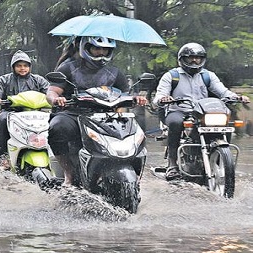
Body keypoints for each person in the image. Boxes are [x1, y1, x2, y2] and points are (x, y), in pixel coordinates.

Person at [46, 36, 147, 185]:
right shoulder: (68, 68)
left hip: (106, 116)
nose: (101, 53)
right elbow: (52, 92)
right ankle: (69, 173)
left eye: (105, 50)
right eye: (96, 48)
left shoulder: (114, 72)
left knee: (137, 132)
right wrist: (56, 99)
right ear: (86, 48)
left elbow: (126, 94)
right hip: (74, 113)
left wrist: (136, 99)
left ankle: (135, 174)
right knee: (57, 127)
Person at [152, 42, 250, 180]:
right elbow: (159, 96)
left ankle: (220, 160)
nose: (194, 61)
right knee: (175, 123)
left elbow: (222, 91)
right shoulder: (172, 76)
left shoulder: (208, 76)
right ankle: (172, 165)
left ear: (202, 59)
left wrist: (236, 97)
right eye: (190, 58)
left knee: (224, 124)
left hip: (201, 112)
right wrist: (163, 99)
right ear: (182, 59)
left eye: (198, 58)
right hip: (179, 111)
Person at [0, 50, 50, 166]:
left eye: (25, 65)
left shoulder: (38, 80)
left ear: (30, 67)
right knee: (2, 120)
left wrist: (57, 98)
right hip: (11, 113)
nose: (22, 68)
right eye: (19, 66)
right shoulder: (3, 80)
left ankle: (55, 153)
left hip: (35, 114)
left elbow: (50, 92)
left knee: (55, 121)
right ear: (13, 67)